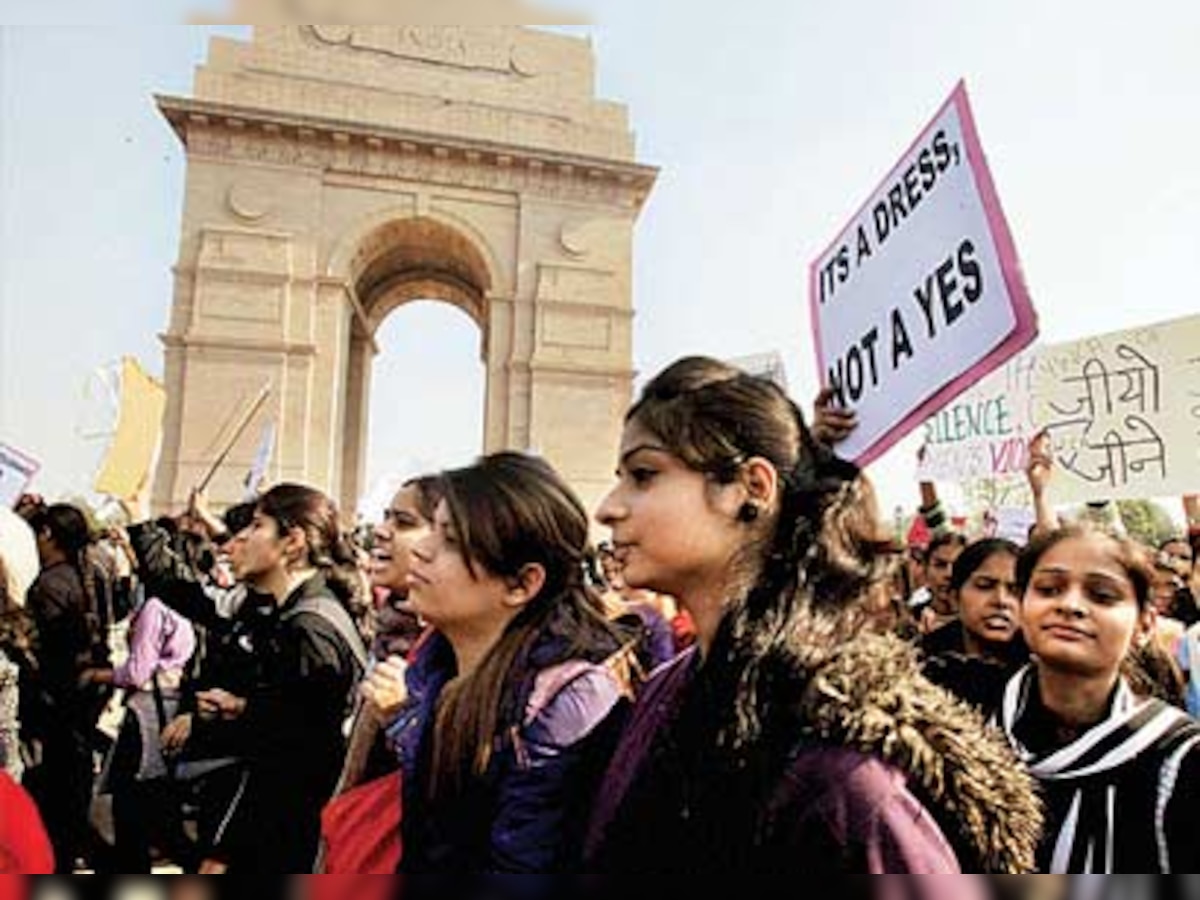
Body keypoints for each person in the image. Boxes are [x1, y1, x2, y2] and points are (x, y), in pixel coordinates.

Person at [584, 356, 1041, 877]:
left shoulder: (847, 779)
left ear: (752, 488)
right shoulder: (663, 693)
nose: (608, 508)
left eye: (643, 475)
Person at [361, 451, 643, 873]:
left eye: (451, 540)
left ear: (521, 583)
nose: (420, 550)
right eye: (430, 531)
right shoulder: (437, 666)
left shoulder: (568, 702)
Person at [997, 524, 1200, 872]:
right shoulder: (969, 731)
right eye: (1049, 589)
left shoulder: (1181, 760)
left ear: (1145, 626)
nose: (1070, 605)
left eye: (1103, 596)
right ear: (1021, 604)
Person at [188, 483, 368, 873]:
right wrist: (244, 707)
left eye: (256, 525)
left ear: (293, 542)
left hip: (285, 834)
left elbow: (292, 759)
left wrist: (224, 851)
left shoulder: (308, 628)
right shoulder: (298, 614)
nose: (240, 538)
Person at [81, 587, 197, 872]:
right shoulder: (185, 607)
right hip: (168, 707)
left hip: (146, 713)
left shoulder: (155, 608)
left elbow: (138, 671)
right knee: (155, 805)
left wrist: (97, 675)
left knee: (132, 808)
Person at [22, 503, 111, 872]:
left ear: (47, 536)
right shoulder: (91, 575)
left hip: (55, 704)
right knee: (71, 789)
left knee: (52, 794)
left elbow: (53, 651)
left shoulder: (49, 585)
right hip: (82, 701)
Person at [921, 538, 1028, 718]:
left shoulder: (1042, 674)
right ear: (955, 597)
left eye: (1014, 590)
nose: (1001, 600)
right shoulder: (920, 664)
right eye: (985, 586)